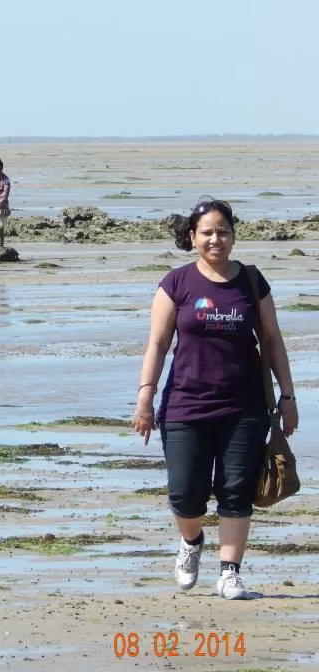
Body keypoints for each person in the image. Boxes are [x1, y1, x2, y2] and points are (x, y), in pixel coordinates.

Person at [132, 198, 298, 601]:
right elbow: (157, 343)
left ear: (234, 236)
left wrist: (288, 395)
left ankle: (230, 572)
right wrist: (145, 397)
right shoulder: (176, 283)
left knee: (236, 489)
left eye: (223, 231)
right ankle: (191, 542)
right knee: (185, 493)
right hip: (185, 406)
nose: (215, 239)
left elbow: (273, 340)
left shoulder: (252, 283)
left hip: (245, 406)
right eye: (206, 232)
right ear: (192, 237)